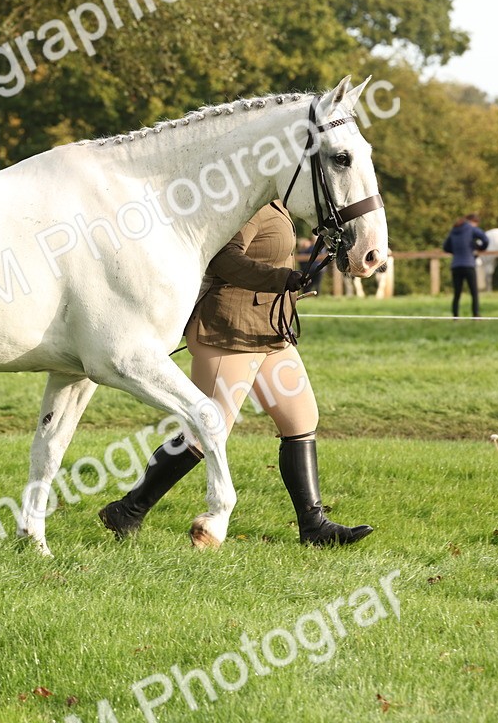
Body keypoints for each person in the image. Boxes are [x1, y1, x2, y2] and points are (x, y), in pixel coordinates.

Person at [97, 201, 373, 547]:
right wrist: (279, 279)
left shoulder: (277, 203)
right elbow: (223, 259)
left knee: (300, 418)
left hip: (269, 329)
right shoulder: (249, 207)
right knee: (205, 431)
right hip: (230, 328)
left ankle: (313, 526)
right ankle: (128, 510)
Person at [442, 214, 488, 317]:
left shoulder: (454, 230)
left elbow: (445, 247)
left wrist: (455, 251)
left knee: (457, 293)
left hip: (456, 265)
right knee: (474, 293)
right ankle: (476, 315)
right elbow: (485, 239)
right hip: (469, 264)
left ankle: (455, 316)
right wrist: (479, 247)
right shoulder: (471, 229)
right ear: (472, 221)